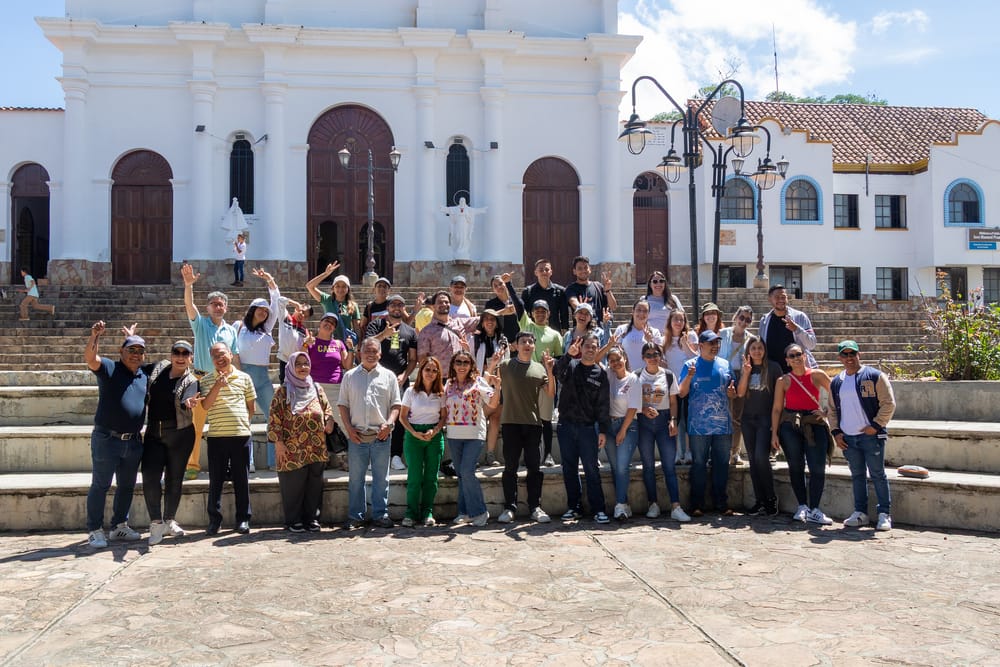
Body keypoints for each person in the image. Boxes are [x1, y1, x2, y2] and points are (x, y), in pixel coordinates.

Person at [83, 322, 151, 548]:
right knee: (100, 485)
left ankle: (119, 526)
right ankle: (94, 529)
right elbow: (91, 359)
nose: (136, 354)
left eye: (140, 350)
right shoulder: (110, 368)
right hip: (107, 439)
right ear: (121, 351)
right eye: (131, 350)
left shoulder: (144, 375)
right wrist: (95, 336)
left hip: (133, 441)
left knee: (126, 486)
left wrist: (133, 338)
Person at [830, 340, 897, 531]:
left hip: (870, 436)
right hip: (848, 438)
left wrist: (876, 425)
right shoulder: (837, 382)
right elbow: (832, 410)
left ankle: (884, 513)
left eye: (852, 354)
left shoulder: (875, 376)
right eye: (845, 354)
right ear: (840, 358)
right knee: (857, 475)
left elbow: (888, 403)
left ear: (859, 355)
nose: (849, 358)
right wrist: (836, 432)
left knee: (877, 474)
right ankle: (860, 512)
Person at [181, 263, 239, 479]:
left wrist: (239, 379)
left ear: (226, 308)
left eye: (221, 304)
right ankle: (192, 465)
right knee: (196, 427)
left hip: (224, 381)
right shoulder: (200, 325)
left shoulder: (231, 330)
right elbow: (189, 306)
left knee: (226, 426)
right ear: (207, 308)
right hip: (201, 380)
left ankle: (227, 465)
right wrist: (189, 286)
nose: (218, 307)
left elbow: (234, 357)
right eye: (214, 304)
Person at [338, 337, 402, 529]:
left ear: (380, 354)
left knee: (381, 479)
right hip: (357, 436)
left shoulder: (389, 376)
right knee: (355, 480)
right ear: (360, 353)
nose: (371, 354)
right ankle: (355, 516)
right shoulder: (349, 376)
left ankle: (380, 515)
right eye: (367, 350)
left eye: (374, 351)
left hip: (381, 436)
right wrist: (349, 429)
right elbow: (343, 405)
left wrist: (389, 424)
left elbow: (396, 405)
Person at [267, 351, 335, 532]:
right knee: (293, 486)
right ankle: (294, 520)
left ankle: (312, 518)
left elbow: (327, 409)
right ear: (290, 367)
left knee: (314, 485)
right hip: (291, 449)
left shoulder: (317, 388)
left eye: (306, 363)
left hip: (316, 446)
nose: (303, 367)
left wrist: (329, 420)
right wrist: (278, 443)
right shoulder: (283, 392)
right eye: (298, 364)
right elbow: (274, 419)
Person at [770, 342, 835, 525]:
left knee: (817, 467)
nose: (796, 358)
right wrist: (774, 434)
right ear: (787, 361)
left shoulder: (817, 375)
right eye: (792, 356)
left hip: (814, 423)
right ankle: (802, 506)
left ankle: (815, 509)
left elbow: (836, 393)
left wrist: (826, 412)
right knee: (796, 466)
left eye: (798, 354)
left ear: (804, 356)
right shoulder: (783, 381)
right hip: (791, 424)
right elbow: (777, 409)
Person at [143, 340, 200, 546]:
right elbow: (136, 367)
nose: (180, 357)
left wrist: (188, 402)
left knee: (174, 479)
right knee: (150, 477)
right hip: (154, 432)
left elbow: (188, 399)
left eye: (185, 353)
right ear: (171, 354)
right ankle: (156, 523)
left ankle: (169, 520)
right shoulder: (158, 368)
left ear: (191, 358)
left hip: (180, 434)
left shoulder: (192, 380)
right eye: (177, 352)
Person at [497, 331, 556, 524]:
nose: (527, 344)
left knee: (534, 468)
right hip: (510, 423)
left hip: (533, 424)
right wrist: (491, 364)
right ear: (516, 345)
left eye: (531, 341)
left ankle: (535, 507)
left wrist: (550, 371)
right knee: (510, 467)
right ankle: (510, 507)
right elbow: (490, 382)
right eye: (523, 341)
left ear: (534, 346)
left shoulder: (539, 368)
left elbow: (550, 393)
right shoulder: (505, 365)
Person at [554, 335, 612, 524]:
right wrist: (567, 356)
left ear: (597, 349)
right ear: (581, 347)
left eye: (594, 346)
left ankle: (599, 509)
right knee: (569, 468)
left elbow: (603, 405)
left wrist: (602, 430)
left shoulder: (600, 373)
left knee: (591, 468)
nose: (590, 349)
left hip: (588, 428)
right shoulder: (571, 365)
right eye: (587, 346)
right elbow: (556, 372)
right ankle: (574, 507)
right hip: (566, 425)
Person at [200, 342, 256, 535]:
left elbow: (251, 408)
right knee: (216, 481)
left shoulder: (245, 378)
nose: (219, 358)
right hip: (217, 437)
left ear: (231, 355)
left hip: (240, 436)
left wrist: (241, 424)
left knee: (242, 480)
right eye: (215, 356)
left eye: (222, 354)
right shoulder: (206, 380)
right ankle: (214, 520)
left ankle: (243, 519)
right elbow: (205, 406)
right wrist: (217, 385)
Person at [679, 330, 737, 517]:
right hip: (698, 426)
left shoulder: (725, 364)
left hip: (723, 425)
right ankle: (697, 504)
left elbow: (733, 391)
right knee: (699, 464)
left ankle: (721, 503)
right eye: (711, 343)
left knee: (722, 464)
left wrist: (732, 393)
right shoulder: (689, 365)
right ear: (700, 346)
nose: (715, 346)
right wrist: (689, 376)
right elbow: (681, 392)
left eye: (717, 343)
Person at [631, 341, 690, 522]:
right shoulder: (636, 376)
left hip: (664, 420)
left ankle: (675, 506)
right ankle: (653, 503)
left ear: (660, 356)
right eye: (648, 355)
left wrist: (673, 420)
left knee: (669, 465)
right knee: (648, 465)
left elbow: (673, 402)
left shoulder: (668, 375)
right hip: (644, 422)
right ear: (643, 357)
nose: (652, 358)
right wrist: (643, 409)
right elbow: (631, 401)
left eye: (655, 354)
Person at [444, 350, 501, 527]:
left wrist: (497, 388)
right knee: (462, 474)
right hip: (454, 435)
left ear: (471, 365)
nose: (462, 366)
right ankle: (465, 512)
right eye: (458, 362)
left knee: (467, 471)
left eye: (465, 362)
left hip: (475, 434)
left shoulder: (478, 382)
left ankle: (480, 511)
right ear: (453, 365)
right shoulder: (448, 384)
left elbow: (493, 403)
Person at [234, 267, 282, 471]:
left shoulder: (267, 328)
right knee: (244, 418)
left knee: (273, 416)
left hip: (262, 378)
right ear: (252, 310)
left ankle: (273, 461)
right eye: (260, 309)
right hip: (243, 375)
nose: (263, 313)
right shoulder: (239, 326)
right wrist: (238, 374)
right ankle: (249, 461)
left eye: (265, 311)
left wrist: (270, 280)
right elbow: (233, 351)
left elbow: (276, 303)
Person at [365, 294, 418, 471]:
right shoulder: (376, 325)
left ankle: (395, 455)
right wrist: (384, 334)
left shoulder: (410, 331)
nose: (396, 308)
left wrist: (404, 375)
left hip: (399, 380)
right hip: (376, 378)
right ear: (387, 307)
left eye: (400, 305)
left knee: (399, 416)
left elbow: (413, 359)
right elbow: (367, 344)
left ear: (404, 308)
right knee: (376, 414)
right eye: (393, 304)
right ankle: (375, 455)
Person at [735, 337, 782, 516]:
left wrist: (775, 426)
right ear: (748, 350)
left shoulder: (773, 368)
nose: (756, 351)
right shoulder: (746, 368)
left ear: (764, 349)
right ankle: (760, 500)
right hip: (748, 419)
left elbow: (779, 397)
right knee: (753, 461)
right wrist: (746, 373)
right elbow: (740, 393)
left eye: (760, 347)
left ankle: (771, 498)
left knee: (761, 457)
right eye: (753, 348)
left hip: (765, 418)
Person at [399, 357, 448, 527]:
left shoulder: (440, 393)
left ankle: (428, 512)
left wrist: (435, 430)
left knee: (431, 477)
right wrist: (414, 433)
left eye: (434, 370)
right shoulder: (411, 391)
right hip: (414, 435)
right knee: (414, 476)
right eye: (427, 369)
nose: (430, 373)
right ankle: (410, 513)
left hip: (434, 436)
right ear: (421, 371)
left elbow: (443, 417)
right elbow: (402, 416)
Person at [520, 299, 564, 467]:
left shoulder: (555, 335)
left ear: (548, 314)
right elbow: (517, 305)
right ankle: (529, 454)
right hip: (527, 380)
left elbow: (560, 358)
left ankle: (548, 454)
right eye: (537, 311)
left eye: (543, 311)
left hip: (546, 380)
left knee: (545, 420)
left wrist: (550, 363)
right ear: (532, 313)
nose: (540, 314)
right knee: (528, 420)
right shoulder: (527, 327)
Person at [304, 312, 355, 445]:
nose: (329, 324)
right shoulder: (311, 342)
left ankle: (349, 451)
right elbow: (302, 363)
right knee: (315, 421)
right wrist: (305, 345)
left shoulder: (338, 343)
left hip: (336, 388)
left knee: (343, 421)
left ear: (334, 328)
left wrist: (350, 349)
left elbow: (347, 365)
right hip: (315, 388)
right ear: (320, 323)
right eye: (326, 320)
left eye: (332, 323)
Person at [469, 308, 509, 466]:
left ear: (497, 322)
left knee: (495, 419)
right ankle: (473, 456)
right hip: (480, 384)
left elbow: (506, 362)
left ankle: (490, 454)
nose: (489, 322)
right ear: (482, 322)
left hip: (498, 385)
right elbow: (470, 361)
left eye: (492, 319)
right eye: (486, 319)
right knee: (479, 419)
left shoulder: (503, 341)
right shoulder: (475, 340)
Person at [605, 346, 639, 521]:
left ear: (625, 358)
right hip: (609, 425)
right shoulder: (609, 375)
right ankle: (624, 503)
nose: (616, 363)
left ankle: (619, 506)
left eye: (618, 359)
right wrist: (607, 345)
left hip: (628, 425)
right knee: (615, 467)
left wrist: (623, 430)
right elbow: (593, 360)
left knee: (622, 466)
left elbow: (633, 408)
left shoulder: (633, 379)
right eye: (612, 360)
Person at [719, 305, 754, 465]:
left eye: (748, 319)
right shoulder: (723, 333)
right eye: (742, 318)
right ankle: (720, 452)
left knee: (737, 416)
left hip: (741, 376)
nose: (744, 321)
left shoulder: (751, 338)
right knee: (721, 414)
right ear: (736, 317)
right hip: (723, 374)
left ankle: (735, 452)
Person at [662, 310, 697, 465]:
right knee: (674, 419)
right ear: (670, 322)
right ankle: (677, 452)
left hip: (688, 383)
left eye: (681, 319)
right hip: (671, 385)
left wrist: (686, 345)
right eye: (675, 319)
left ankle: (688, 451)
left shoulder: (691, 336)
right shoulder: (665, 339)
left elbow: (696, 358)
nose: (678, 322)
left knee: (687, 418)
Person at [758, 284, 818, 373]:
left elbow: (811, 344)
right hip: (772, 373)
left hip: (797, 372)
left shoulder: (800, 317)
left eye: (783, 297)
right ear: (770, 299)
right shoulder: (764, 320)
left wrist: (796, 329)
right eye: (777, 297)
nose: (781, 300)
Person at [416, 291, 480, 370]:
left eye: (446, 302)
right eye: (440, 302)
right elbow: (422, 359)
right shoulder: (426, 332)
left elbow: (483, 320)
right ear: (433, 306)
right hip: (440, 376)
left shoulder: (459, 323)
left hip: (459, 375)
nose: (444, 304)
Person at [305, 262, 361, 343]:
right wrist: (326, 274)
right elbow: (309, 286)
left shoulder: (353, 305)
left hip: (345, 344)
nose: (340, 289)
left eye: (344, 286)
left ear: (348, 289)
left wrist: (359, 345)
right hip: (328, 343)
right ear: (333, 288)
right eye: (337, 286)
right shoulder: (327, 300)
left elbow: (357, 328)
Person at [564, 255, 618, 324]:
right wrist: (582, 308)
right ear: (574, 271)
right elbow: (574, 303)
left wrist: (608, 291)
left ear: (590, 269)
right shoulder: (571, 289)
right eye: (580, 268)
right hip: (582, 328)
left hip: (600, 328)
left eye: (586, 267)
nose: (583, 270)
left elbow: (613, 307)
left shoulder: (598, 286)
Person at [613, 299, 663, 371]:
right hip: (627, 374)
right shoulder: (622, 329)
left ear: (648, 314)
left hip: (648, 374)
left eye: (645, 311)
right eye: (638, 310)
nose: (641, 313)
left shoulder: (655, 332)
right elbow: (614, 352)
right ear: (633, 311)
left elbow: (660, 356)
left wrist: (650, 341)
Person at [522, 258, 569, 333]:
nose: (544, 272)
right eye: (541, 270)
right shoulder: (528, 292)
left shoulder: (560, 291)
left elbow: (564, 313)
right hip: (533, 333)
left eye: (547, 270)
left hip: (554, 332)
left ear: (551, 272)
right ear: (536, 272)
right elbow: (523, 314)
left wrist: (565, 329)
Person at [276, 296, 313, 383]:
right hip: (284, 360)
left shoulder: (304, 331)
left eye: (305, 316)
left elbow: (304, 352)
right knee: (284, 387)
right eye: (302, 311)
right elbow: (279, 300)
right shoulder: (285, 317)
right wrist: (295, 303)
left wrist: (307, 343)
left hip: (297, 364)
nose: (302, 315)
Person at [483, 272, 525, 343]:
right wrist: (503, 311)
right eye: (495, 286)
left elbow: (524, 321)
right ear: (493, 290)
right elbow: (486, 321)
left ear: (505, 284)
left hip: (518, 343)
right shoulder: (490, 304)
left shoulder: (516, 301)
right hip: (499, 343)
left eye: (500, 284)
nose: (499, 287)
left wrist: (517, 341)